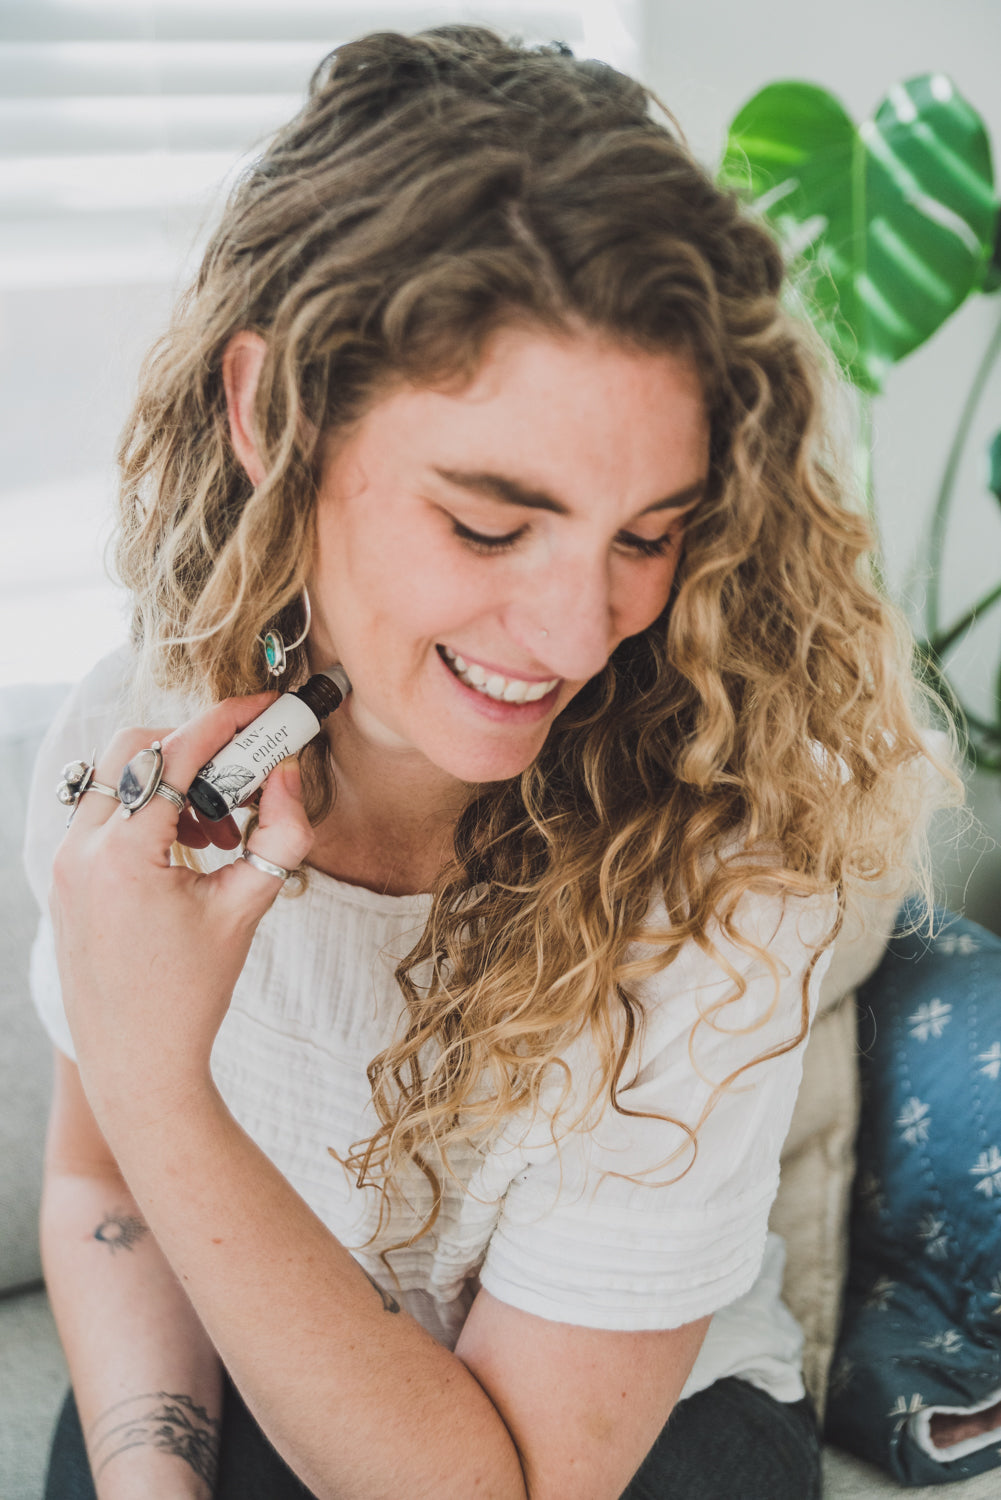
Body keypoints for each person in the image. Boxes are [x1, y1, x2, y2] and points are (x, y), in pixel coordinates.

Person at [25, 25, 947, 1500]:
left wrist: (157, 1081)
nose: (578, 631)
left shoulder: (720, 863)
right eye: (489, 523)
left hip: (631, 1436)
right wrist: (150, 1477)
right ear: (270, 413)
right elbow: (96, 1192)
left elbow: (490, 1489)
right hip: (257, 1359)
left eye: (647, 534)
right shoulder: (122, 749)